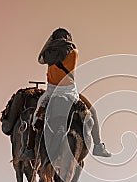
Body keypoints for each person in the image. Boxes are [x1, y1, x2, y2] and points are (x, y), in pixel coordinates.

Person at [24, 28, 111, 158]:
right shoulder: (74, 51)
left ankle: (29, 150)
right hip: (70, 92)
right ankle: (98, 146)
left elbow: (40, 60)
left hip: (51, 92)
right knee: (92, 112)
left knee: (36, 115)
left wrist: (49, 42)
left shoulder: (48, 53)